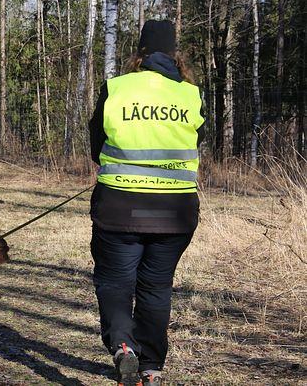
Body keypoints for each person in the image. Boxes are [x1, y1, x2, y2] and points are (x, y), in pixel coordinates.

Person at [87, 19, 204, 386]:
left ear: (139, 53)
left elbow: (96, 140)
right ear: (174, 54)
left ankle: (124, 348)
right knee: (156, 287)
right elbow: (196, 144)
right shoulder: (190, 94)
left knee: (116, 282)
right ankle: (151, 367)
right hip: (174, 211)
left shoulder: (117, 88)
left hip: (120, 206)